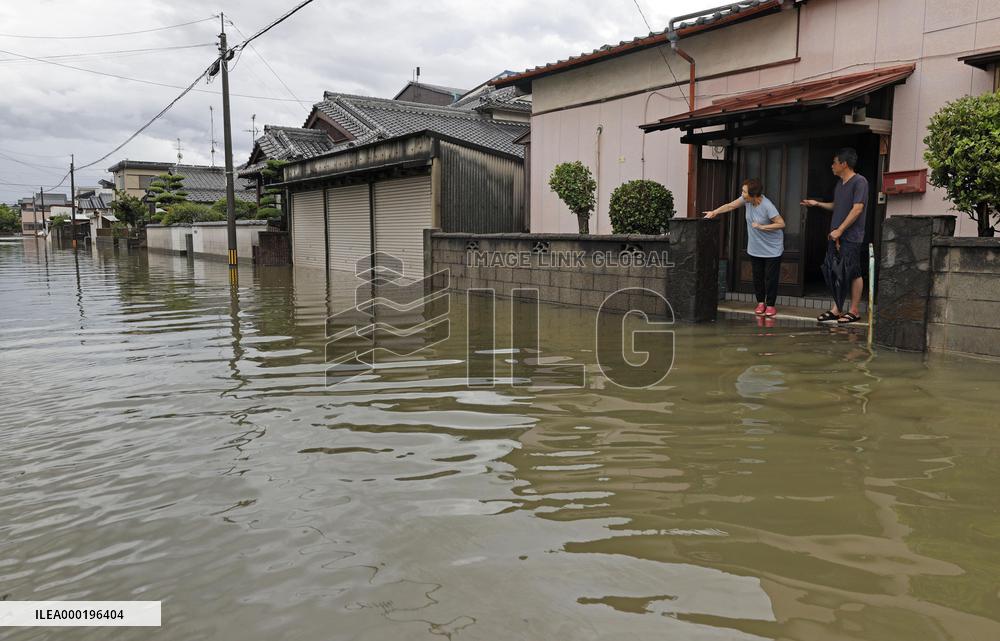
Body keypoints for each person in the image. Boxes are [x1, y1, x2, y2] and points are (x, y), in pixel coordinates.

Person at [801, 148, 869, 324]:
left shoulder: (859, 182)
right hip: (835, 235)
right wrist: (817, 204)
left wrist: (841, 229)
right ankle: (837, 309)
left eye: (834, 162)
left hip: (851, 235)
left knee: (853, 271)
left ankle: (854, 311)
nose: (832, 166)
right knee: (835, 271)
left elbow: (857, 208)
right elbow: (836, 206)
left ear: (844, 164)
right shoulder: (840, 184)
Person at [704, 178, 785, 317]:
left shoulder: (767, 206)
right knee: (757, 276)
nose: (742, 193)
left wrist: (762, 227)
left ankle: (770, 305)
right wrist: (714, 212)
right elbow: (730, 206)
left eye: (744, 191)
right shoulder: (746, 200)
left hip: (773, 248)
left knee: (771, 278)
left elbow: (781, 223)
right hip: (755, 247)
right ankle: (761, 302)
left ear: (753, 195)